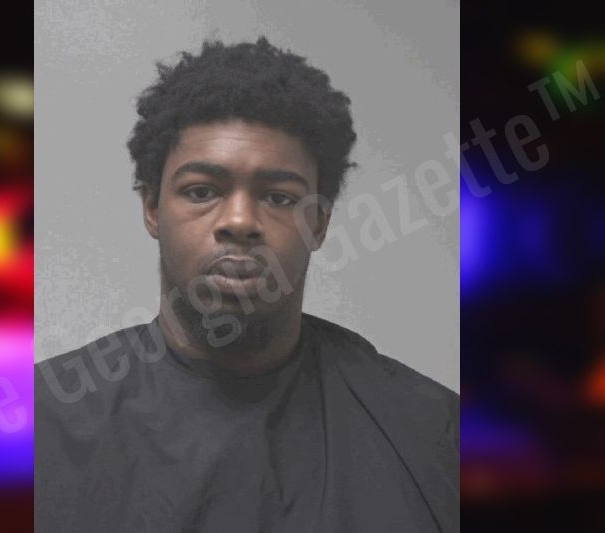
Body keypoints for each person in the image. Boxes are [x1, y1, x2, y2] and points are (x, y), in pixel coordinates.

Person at [35, 37, 458, 532]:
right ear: (152, 208)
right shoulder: (39, 428)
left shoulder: (433, 434)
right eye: (201, 191)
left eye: (279, 197)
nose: (239, 221)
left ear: (319, 223)